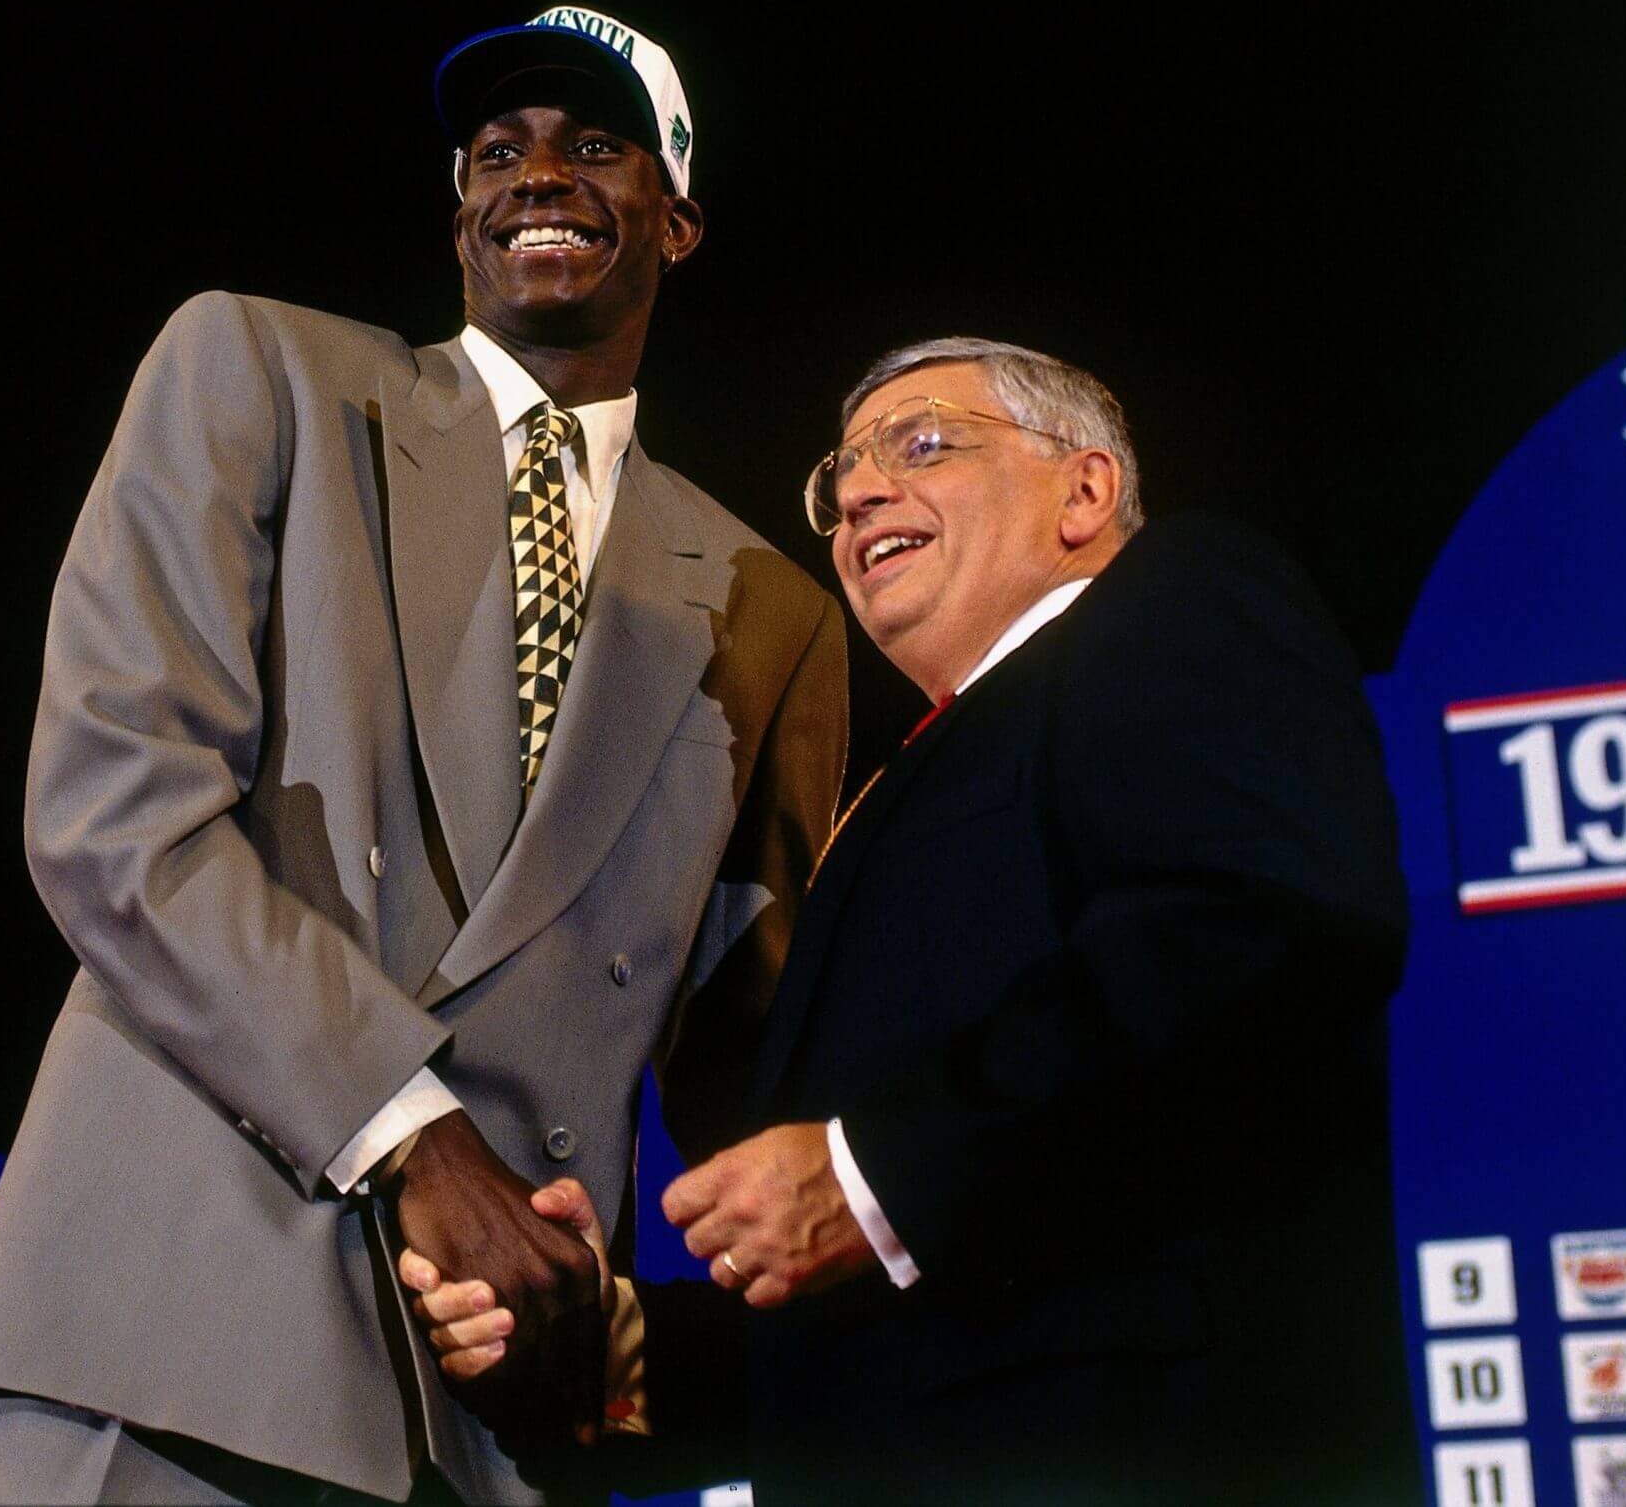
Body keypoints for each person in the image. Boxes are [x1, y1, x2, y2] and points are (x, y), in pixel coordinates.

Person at [0, 6, 849, 1505]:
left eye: (594, 144)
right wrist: (420, 1139)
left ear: (677, 222)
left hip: (489, 1400)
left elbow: (753, 1076)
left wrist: (622, 1324)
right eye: (497, 151)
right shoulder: (261, 371)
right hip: (162, 1324)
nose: (536, 174)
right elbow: (115, 813)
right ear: (460, 206)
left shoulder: (769, 609)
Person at [406, 339, 1419, 1503]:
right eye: (839, 475)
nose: (857, 494)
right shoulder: (905, 789)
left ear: (1085, 490)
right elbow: (909, 1309)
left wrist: (872, 1174)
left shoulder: (1178, 600)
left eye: (922, 444)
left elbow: (1261, 926)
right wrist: (618, 1353)